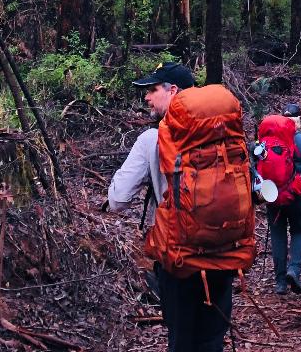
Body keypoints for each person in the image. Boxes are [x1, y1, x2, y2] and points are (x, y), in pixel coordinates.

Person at [108, 62, 256, 351]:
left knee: (181, 342)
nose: (146, 98)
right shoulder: (224, 135)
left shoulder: (152, 139)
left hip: (178, 260)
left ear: (172, 90)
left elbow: (117, 200)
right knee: (212, 341)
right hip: (224, 251)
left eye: (152, 90)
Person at [256, 101, 301, 294]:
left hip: (273, 195)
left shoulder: (266, 142)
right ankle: (294, 269)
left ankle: (280, 281)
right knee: (298, 231)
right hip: (297, 195)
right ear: (299, 121)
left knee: (278, 233)